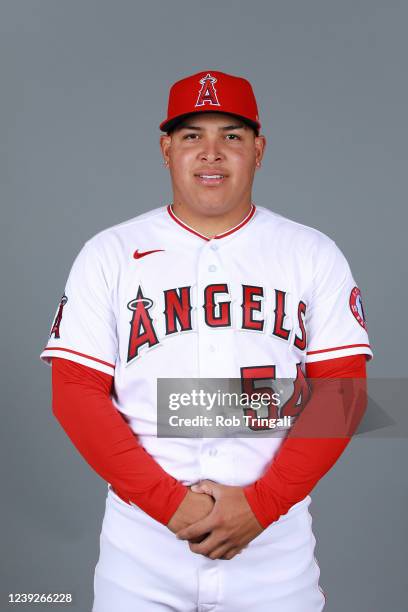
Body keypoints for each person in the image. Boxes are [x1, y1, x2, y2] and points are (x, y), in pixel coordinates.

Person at [41, 70, 373, 611]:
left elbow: (345, 393)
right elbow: (75, 393)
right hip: (142, 551)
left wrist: (262, 505)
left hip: (274, 551)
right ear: (166, 148)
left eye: (232, 137)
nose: (211, 153)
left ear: (259, 151)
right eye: (193, 135)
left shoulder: (312, 252)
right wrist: (169, 505)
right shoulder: (109, 252)